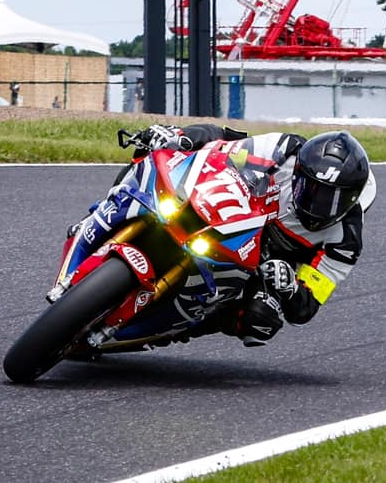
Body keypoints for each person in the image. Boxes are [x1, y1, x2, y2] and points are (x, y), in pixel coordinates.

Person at [127, 122, 372, 347]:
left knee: (261, 318)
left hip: (264, 266)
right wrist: (182, 137)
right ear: (298, 170)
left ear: (352, 200)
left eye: (332, 199)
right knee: (152, 156)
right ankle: (100, 218)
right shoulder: (286, 149)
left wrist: (290, 288)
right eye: (310, 188)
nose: (317, 202)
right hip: (231, 213)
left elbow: (305, 309)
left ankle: (175, 330)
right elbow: (225, 141)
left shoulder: (345, 241)